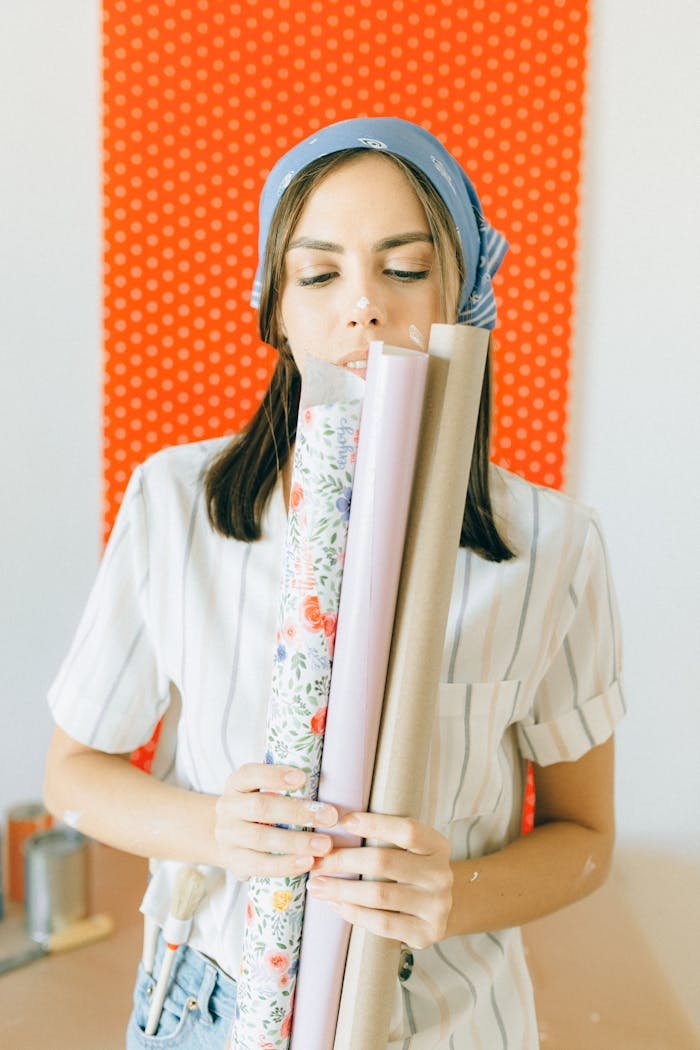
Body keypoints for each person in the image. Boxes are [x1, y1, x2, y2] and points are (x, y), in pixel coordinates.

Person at [44, 117, 625, 1049]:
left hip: (448, 1020)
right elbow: (73, 774)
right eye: (319, 275)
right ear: (275, 308)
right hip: (207, 1006)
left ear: (464, 297)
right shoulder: (173, 503)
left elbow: (586, 838)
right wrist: (216, 828)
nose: (363, 306)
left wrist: (450, 893)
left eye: (405, 268)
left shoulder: (554, 547)